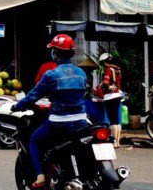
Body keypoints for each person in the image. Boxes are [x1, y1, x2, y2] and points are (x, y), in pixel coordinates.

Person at [12, 34, 89, 189]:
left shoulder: (51, 75)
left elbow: (33, 95)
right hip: (81, 121)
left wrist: (17, 106)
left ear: (55, 53)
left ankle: (40, 176)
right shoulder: (81, 73)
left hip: (59, 122)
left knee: (34, 139)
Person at [97, 52, 124, 147]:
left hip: (110, 97)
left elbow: (105, 83)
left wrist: (102, 88)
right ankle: (118, 142)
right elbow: (118, 83)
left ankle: (114, 142)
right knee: (116, 120)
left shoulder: (108, 70)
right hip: (117, 95)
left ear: (104, 62)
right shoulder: (117, 70)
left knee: (112, 121)